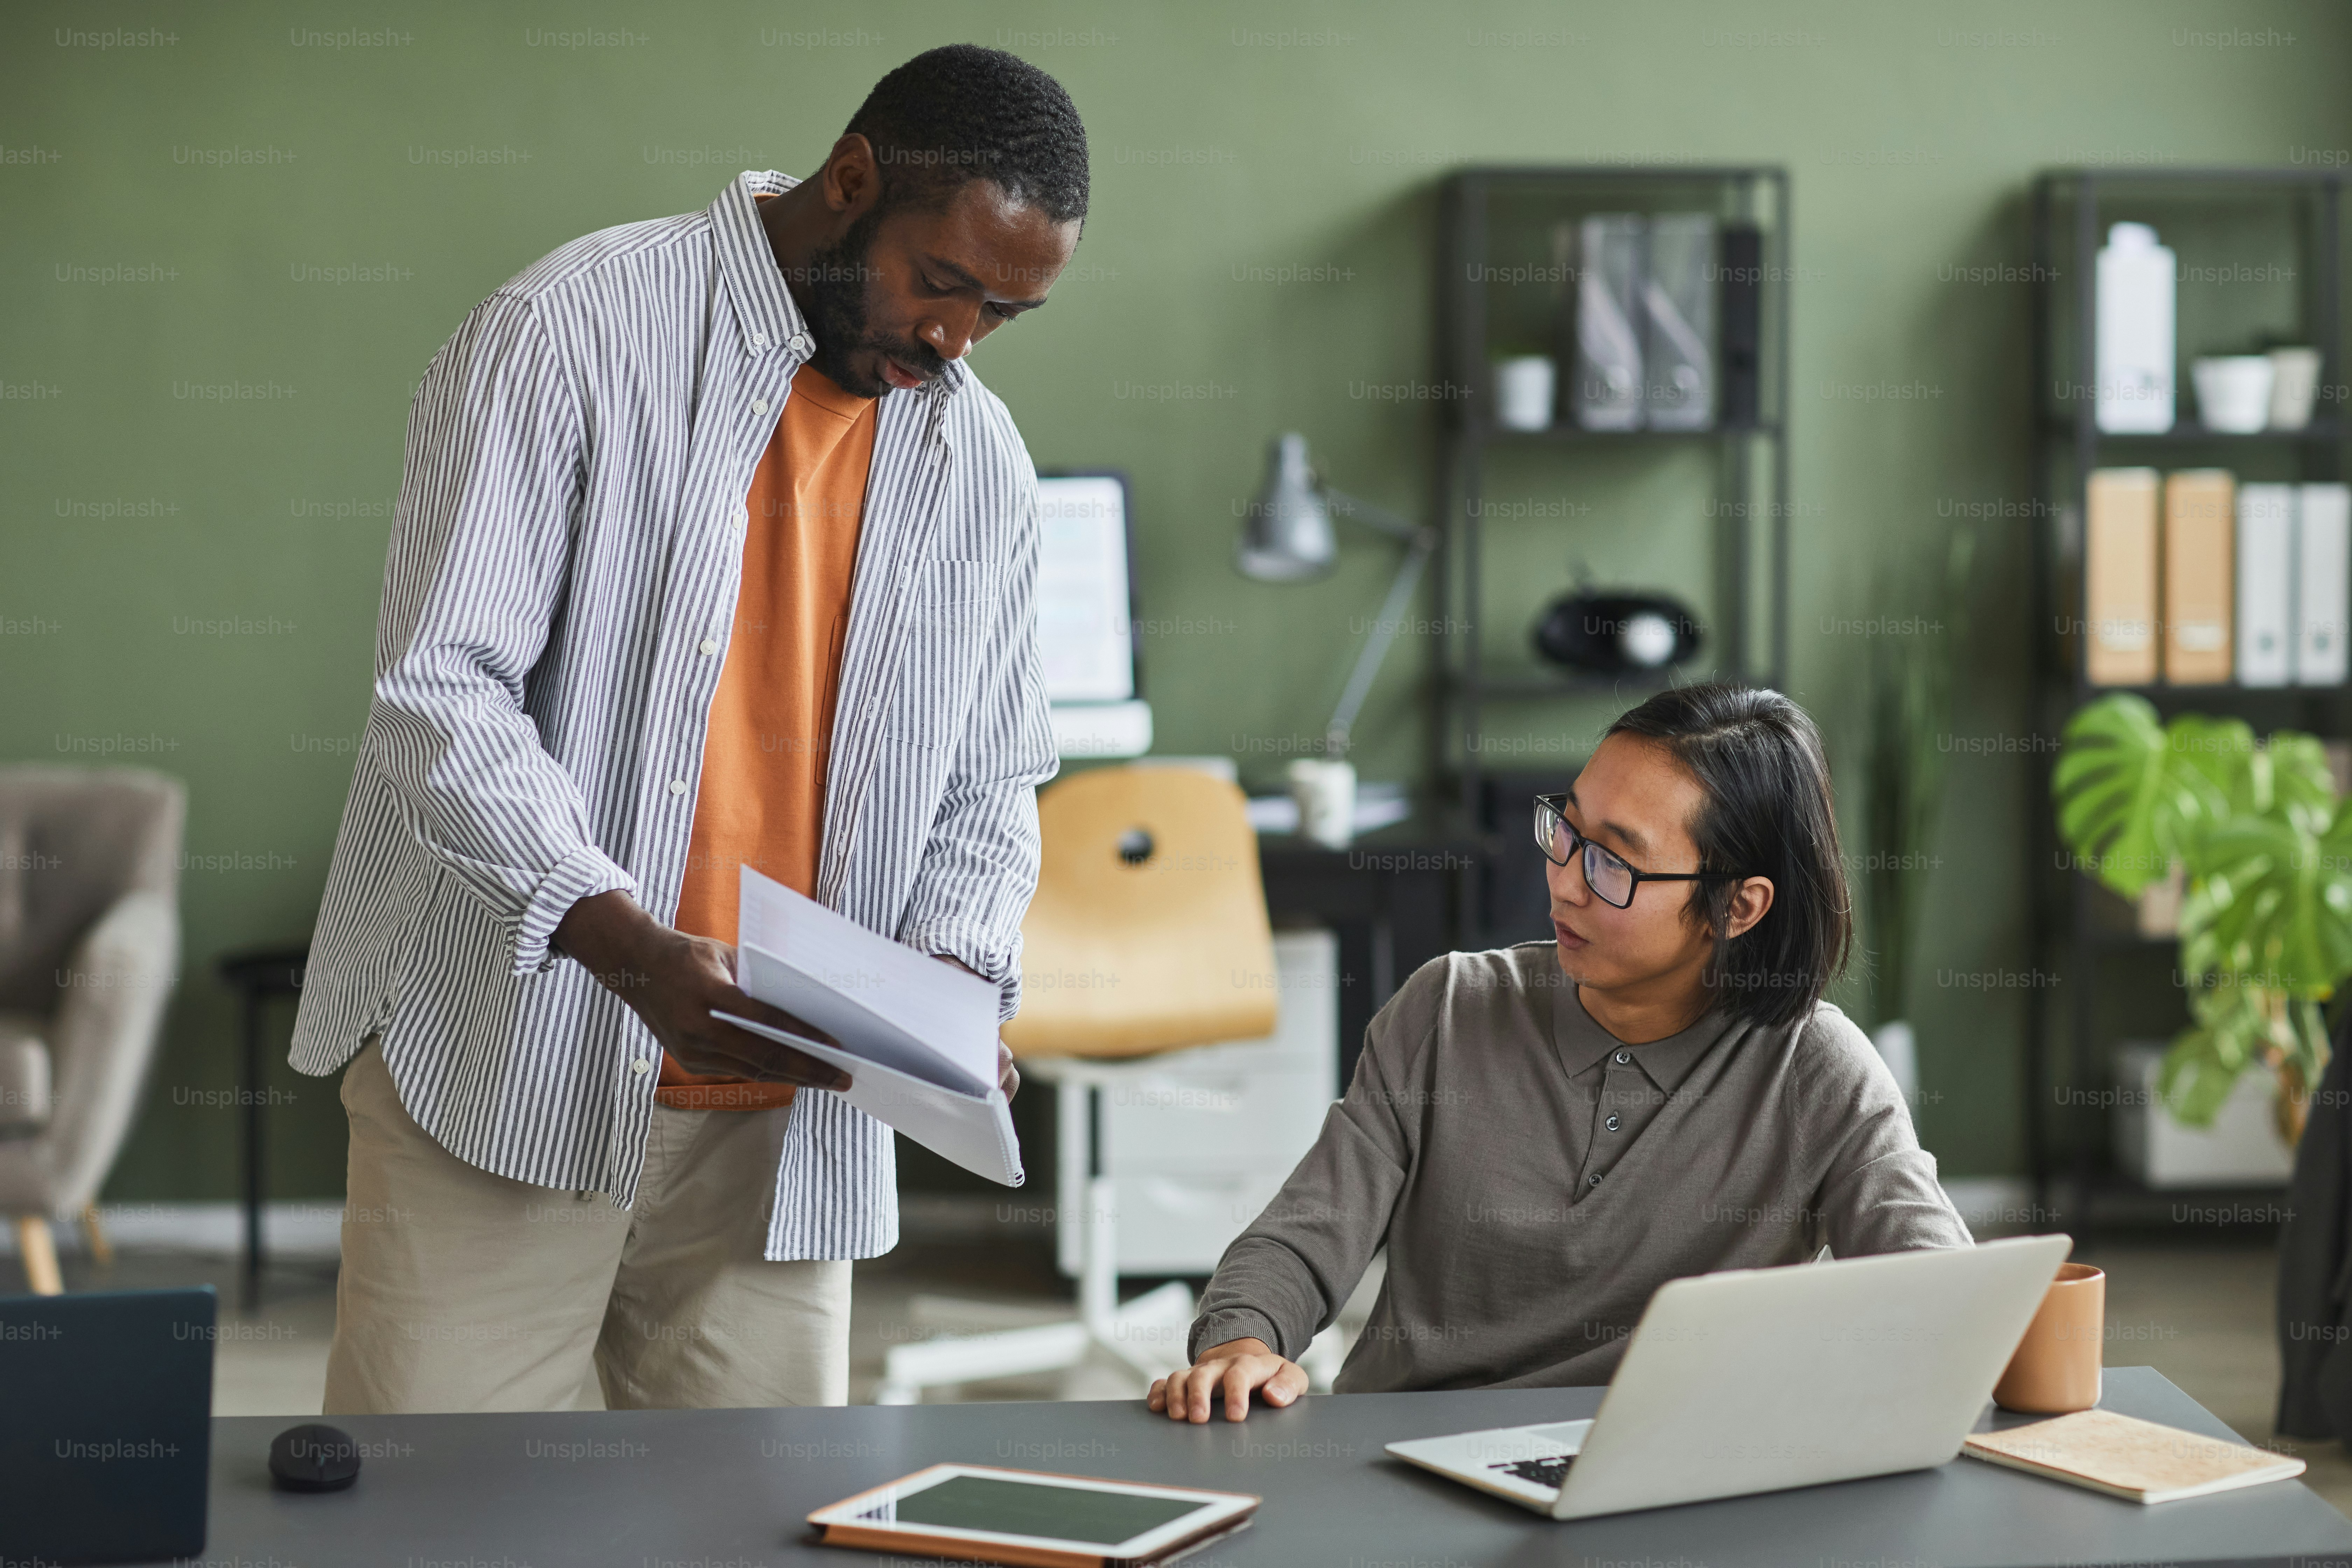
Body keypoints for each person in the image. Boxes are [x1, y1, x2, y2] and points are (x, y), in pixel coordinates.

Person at [291, 45, 1087, 1414]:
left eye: (1001, 314)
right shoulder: (575, 329)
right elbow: (444, 693)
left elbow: (993, 778)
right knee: (433, 1528)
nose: (957, 338)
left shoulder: (981, 460)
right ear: (852, 182)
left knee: (753, 1533)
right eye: (942, 284)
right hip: (512, 1069)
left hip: (791, 1135)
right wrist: (630, 948)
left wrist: (954, 975)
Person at [1150, 683, 1973, 1423]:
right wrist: (1242, 1341)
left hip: (1657, 1479)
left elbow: (1944, 1302)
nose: (1567, 881)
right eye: (1566, 830)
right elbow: (1306, 1233)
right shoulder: (1447, 1008)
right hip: (1405, 1455)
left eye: (1614, 859)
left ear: (1741, 903)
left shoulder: (1817, 1070)